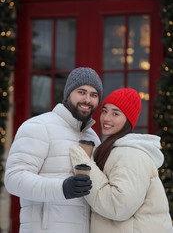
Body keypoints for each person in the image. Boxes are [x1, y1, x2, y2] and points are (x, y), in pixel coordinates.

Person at [4, 67, 103, 233]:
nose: (87, 100)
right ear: (68, 93)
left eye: (94, 95)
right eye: (81, 92)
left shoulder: (93, 138)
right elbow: (14, 179)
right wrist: (62, 188)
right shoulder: (38, 126)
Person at [70, 88, 173, 233]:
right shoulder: (113, 150)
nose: (106, 118)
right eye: (105, 111)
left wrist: (84, 164)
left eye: (115, 113)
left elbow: (118, 207)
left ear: (128, 120)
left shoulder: (130, 154)